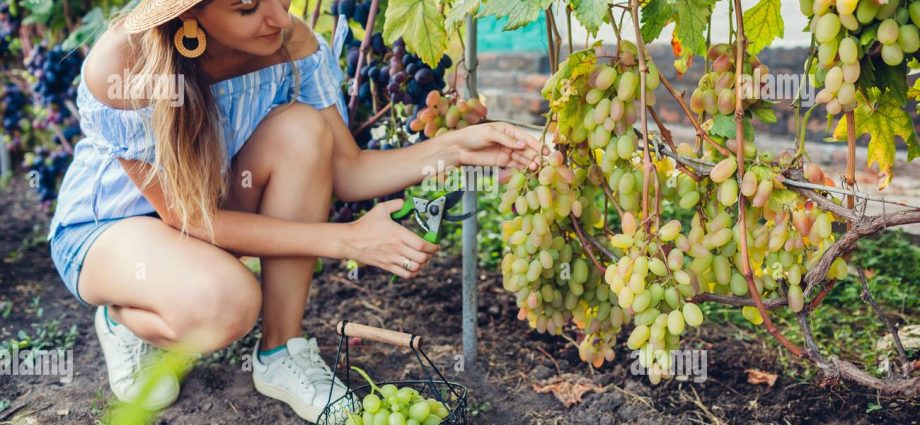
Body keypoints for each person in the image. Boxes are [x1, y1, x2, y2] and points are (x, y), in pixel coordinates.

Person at [46, 0, 546, 421]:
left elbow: (348, 169)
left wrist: (459, 148)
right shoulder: (123, 63)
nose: (278, 19)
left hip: (209, 217)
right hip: (110, 230)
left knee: (303, 130)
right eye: (247, 7)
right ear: (190, 15)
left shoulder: (291, 44)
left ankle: (281, 351)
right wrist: (345, 240)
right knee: (228, 306)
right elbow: (188, 219)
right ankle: (123, 319)